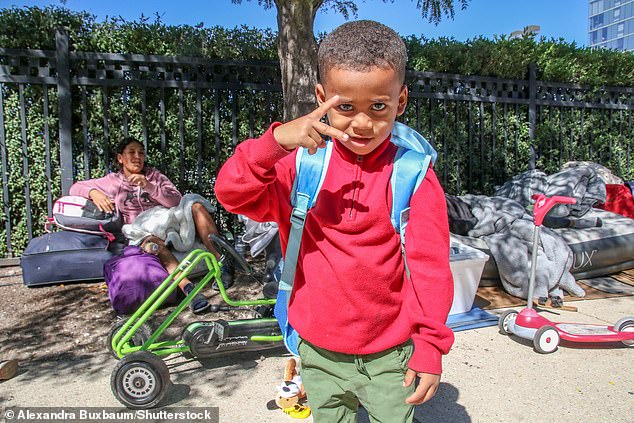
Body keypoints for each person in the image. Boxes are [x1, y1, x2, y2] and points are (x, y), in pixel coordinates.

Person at [215, 20, 454, 422]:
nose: (362, 123)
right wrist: (273, 144)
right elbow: (232, 193)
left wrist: (429, 345)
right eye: (346, 107)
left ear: (401, 101)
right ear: (321, 98)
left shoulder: (413, 175)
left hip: (391, 354)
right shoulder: (303, 167)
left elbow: (430, 268)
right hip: (317, 350)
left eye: (378, 106)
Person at [70, 137, 222, 314]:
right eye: (131, 153)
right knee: (154, 243)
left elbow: (175, 200)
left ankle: (223, 264)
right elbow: (75, 188)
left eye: (141, 153)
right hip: (143, 229)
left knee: (195, 205)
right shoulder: (112, 181)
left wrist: (149, 186)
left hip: (168, 220)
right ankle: (190, 290)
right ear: (120, 158)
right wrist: (93, 192)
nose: (137, 157)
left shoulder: (155, 176)